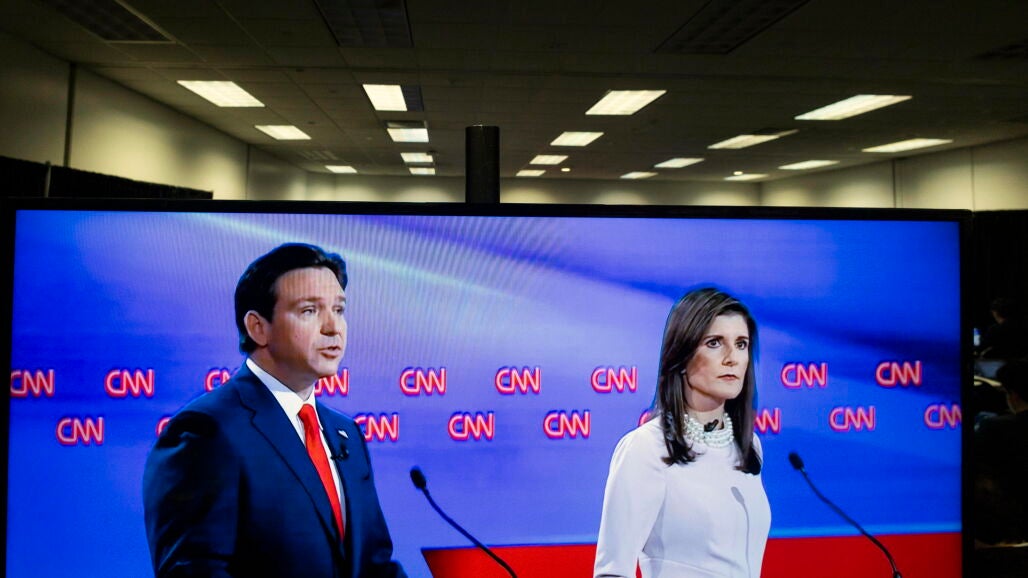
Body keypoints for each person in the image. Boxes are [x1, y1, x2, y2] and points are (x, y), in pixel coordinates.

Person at [143, 243, 406, 578]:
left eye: (339, 310)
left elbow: (374, 565)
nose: (333, 327)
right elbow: (195, 570)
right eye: (309, 311)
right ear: (258, 327)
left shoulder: (346, 434)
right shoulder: (206, 431)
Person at [594, 287, 770, 578]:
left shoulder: (748, 446)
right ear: (682, 354)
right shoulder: (646, 448)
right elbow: (612, 572)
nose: (732, 358)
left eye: (741, 344)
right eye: (714, 343)